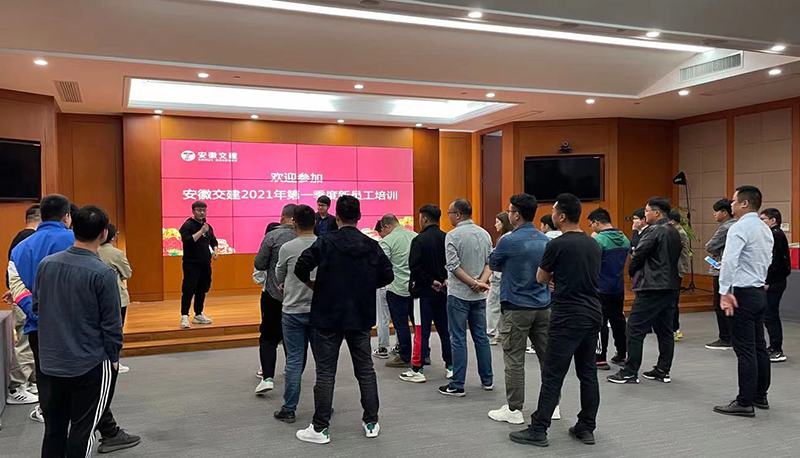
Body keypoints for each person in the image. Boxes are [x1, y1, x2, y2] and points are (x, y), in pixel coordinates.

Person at [35, 205, 142, 456]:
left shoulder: (46, 264)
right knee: (83, 429)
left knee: (54, 428)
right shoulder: (102, 273)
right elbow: (112, 324)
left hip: (51, 361)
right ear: (104, 233)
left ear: (73, 228)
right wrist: (114, 357)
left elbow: (38, 306)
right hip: (89, 362)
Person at [294, 195, 393, 444]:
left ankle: (320, 428)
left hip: (327, 314)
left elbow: (300, 266)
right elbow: (387, 275)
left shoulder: (325, 242)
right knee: (366, 370)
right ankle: (371, 422)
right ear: (359, 217)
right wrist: (366, 286)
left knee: (326, 373)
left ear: (336, 217)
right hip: (359, 314)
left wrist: (313, 285)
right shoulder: (371, 245)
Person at [509, 193, 601, 448]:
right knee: (588, 373)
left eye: (553, 212)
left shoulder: (557, 245)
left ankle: (538, 429)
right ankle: (586, 427)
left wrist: (555, 278)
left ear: (561, 216)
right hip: (592, 313)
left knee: (553, 374)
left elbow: (540, 278)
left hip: (566, 315)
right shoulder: (593, 243)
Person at [487, 194, 552, 425]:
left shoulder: (508, 240)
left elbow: (494, 263)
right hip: (543, 305)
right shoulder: (545, 240)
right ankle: (552, 405)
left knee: (514, 359)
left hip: (516, 307)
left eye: (510, 211)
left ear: (516, 214)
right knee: (548, 358)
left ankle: (514, 409)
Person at [713, 186, 773, 417]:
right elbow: (766, 260)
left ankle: (744, 401)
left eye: (734, 200)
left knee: (745, 349)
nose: (731, 204)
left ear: (744, 203)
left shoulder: (739, 227)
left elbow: (729, 261)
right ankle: (760, 395)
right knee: (759, 346)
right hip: (758, 291)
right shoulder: (764, 228)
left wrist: (724, 291)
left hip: (741, 293)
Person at [608, 197, 681, 385]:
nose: (645, 214)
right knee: (665, 330)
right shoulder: (674, 231)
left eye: (647, 210)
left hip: (652, 285)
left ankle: (630, 371)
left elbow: (638, 254)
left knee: (634, 328)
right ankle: (662, 370)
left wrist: (631, 272)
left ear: (656, 213)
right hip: (670, 285)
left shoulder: (653, 231)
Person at [438, 198, 493, 397]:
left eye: (449, 213)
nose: (449, 216)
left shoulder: (452, 235)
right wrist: (481, 282)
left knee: (458, 338)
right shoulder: (484, 233)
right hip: (479, 296)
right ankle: (487, 380)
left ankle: (457, 384)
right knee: (481, 337)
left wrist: (472, 283)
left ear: (458, 215)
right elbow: (490, 262)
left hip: (459, 294)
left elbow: (453, 266)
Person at [273, 204, 317, 423]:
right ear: (315, 223)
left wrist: (286, 284)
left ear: (295, 224)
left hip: (292, 310)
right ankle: (323, 405)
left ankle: (289, 409)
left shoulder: (287, 247)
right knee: (324, 363)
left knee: (294, 360)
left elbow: (279, 274)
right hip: (319, 311)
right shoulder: (324, 244)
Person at [400, 204, 452, 383]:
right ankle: (451, 367)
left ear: (424, 218)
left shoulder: (419, 240)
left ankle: (417, 369)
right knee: (445, 331)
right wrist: (443, 280)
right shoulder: (446, 238)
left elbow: (415, 267)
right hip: (443, 291)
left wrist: (431, 281)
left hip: (423, 293)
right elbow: (451, 264)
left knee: (421, 331)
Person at [253, 204, 297, 394]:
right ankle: (292, 372)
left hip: (273, 295)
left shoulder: (272, 236)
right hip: (299, 297)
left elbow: (259, 263)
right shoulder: (309, 239)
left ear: (282, 217)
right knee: (294, 337)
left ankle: (268, 377)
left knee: (268, 338)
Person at [5, 204, 40, 406]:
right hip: (25, 299)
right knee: (26, 342)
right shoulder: (28, 239)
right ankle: (17, 386)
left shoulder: (22, 237)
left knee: (31, 341)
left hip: (24, 297)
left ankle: (31, 382)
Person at [587, 208, 630, 370]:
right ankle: (622, 354)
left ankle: (600, 358)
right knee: (618, 321)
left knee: (599, 322)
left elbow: (591, 264)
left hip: (600, 287)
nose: (591, 227)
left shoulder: (598, 240)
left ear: (596, 222)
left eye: (591, 224)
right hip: (618, 287)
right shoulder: (624, 238)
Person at [379, 214, 418, 368]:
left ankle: (404, 355)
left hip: (396, 288)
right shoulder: (415, 236)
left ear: (386, 226)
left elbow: (382, 265)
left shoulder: (387, 241)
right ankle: (424, 353)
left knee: (401, 324)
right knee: (418, 323)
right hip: (415, 287)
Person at [98, 223, 133, 374]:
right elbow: (127, 274)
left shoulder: (92, 251)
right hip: (117, 295)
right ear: (111, 236)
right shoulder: (116, 253)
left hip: (96, 297)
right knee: (116, 330)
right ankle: (115, 361)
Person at [179, 201, 218, 329]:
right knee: (189, 289)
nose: (202, 213)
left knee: (202, 288)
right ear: (193, 211)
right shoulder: (188, 225)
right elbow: (188, 241)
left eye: (204, 210)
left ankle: (198, 313)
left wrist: (215, 251)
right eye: (199, 210)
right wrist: (201, 231)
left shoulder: (207, 226)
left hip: (205, 263)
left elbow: (213, 241)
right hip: (191, 263)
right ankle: (184, 315)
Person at [759, 208, 791, 363]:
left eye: (763, 219)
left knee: (771, 316)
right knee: (768, 316)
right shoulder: (772, 234)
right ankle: (773, 347)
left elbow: (776, 263)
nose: (761, 222)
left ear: (773, 220)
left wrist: (768, 282)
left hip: (774, 282)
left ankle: (777, 349)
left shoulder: (775, 235)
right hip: (773, 281)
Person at [705, 198, 736, 351]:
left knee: (720, 305)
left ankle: (725, 338)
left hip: (722, 270)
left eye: (716, 211)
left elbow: (710, 246)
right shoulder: (738, 225)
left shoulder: (725, 228)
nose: (714, 214)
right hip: (736, 272)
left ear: (724, 212)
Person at [487, 212, 513, 346]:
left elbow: (496, 259)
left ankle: (490, 334)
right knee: (503, 305)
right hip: (507, 277)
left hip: (498, 276)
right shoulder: (512, 236)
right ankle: (502, 333)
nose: (495, 225)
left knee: (492, 305)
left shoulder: (504, 239)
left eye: (497, 222)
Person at [667, 210, 691, 341]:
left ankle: (675, 328)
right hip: (676, 269)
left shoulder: (679, 233)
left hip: (677, 269)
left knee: (673, 300)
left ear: (672, 221)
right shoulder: (677, 232)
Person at [371, 220, 393, 359]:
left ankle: (383, 347)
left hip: (383, 285)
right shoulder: (404, 240)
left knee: (382, 317)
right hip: (399, 285)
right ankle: (400, 346)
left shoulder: (383, 244)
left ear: (384, 228)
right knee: (398, 318)